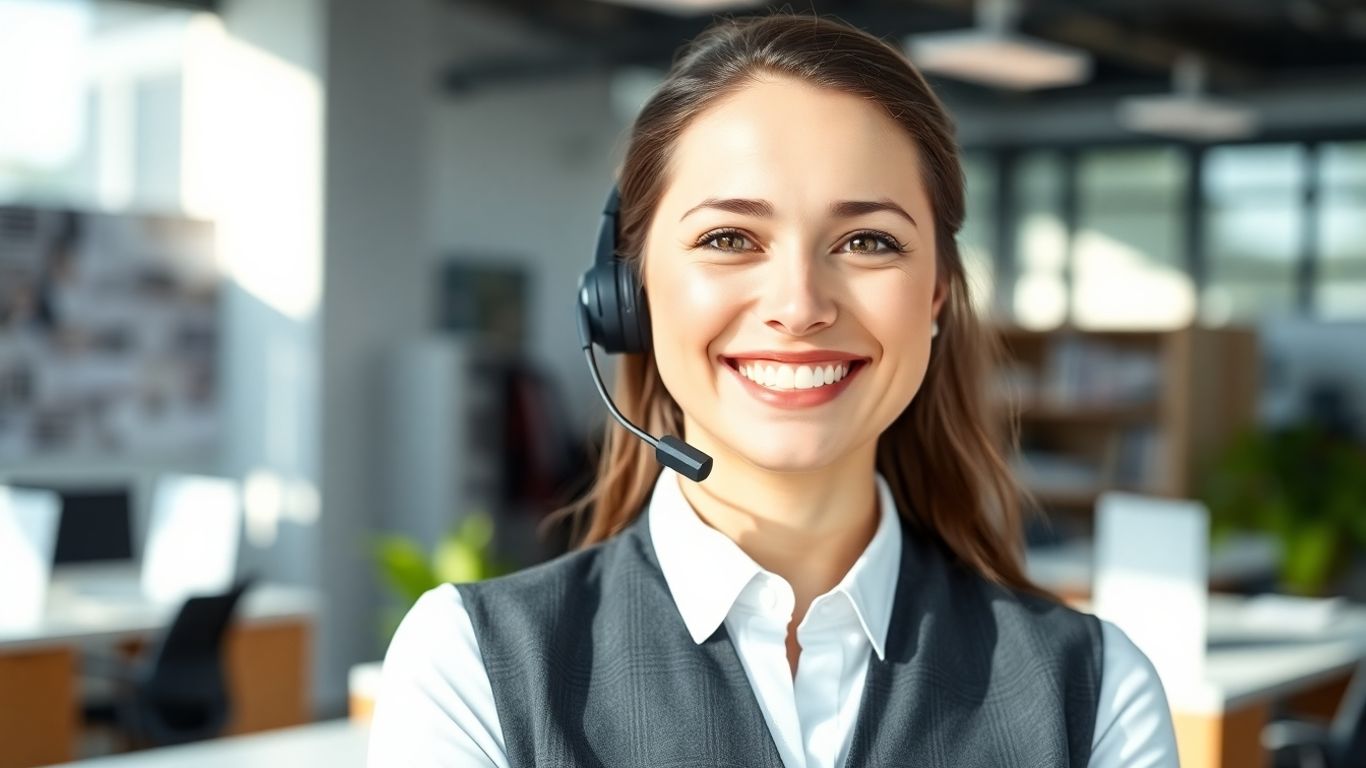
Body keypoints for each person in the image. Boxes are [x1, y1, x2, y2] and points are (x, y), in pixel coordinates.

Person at [368, 12, 1179, 768]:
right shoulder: (473, 668)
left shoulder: (1093, 694)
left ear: (936, 295)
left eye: (868, 241)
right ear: (627, 292)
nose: (799, 306)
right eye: (729, 238)